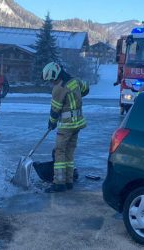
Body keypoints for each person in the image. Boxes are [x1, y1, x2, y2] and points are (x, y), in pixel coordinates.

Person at [43, 62, 89, 193]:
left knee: (59, 152)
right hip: (78, 124)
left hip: (67, 125)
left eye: (51, 79)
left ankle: (59, 183)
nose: (51, 82)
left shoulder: (59, 89)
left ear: (55, 75)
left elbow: (55, 110)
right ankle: (69, 181)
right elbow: (86, 89)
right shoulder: (75, 81)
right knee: (69, 152)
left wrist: (51, 123)